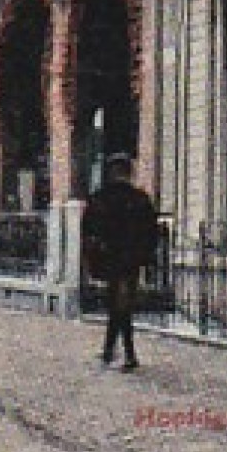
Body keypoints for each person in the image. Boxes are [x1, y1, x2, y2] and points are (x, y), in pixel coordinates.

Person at [82, 152, 159, 371]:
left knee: (118, 307)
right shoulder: (140, 199)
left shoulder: (100, 198)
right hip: (131, 261)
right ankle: (121, 352)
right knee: (122, 307)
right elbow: (152, 234)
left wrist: (93, 261)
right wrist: (146, 258)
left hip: (111, 260)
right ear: (129, 172)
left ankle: (117, 352)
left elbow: (88, 232)